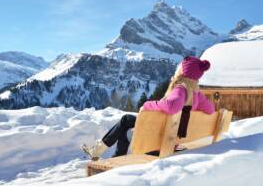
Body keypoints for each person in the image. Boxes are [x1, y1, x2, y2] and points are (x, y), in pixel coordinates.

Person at [81, 56, 215, 160]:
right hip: (174, 136)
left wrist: (148, 104)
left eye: (180, 67)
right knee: (126, 120)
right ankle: (104, 153)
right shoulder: (196, 93)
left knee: (125, 124)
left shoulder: (181, 88)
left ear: (184, 71)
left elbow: (171, 107)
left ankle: (101, 152)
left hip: (161, 137)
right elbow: (210, 110)